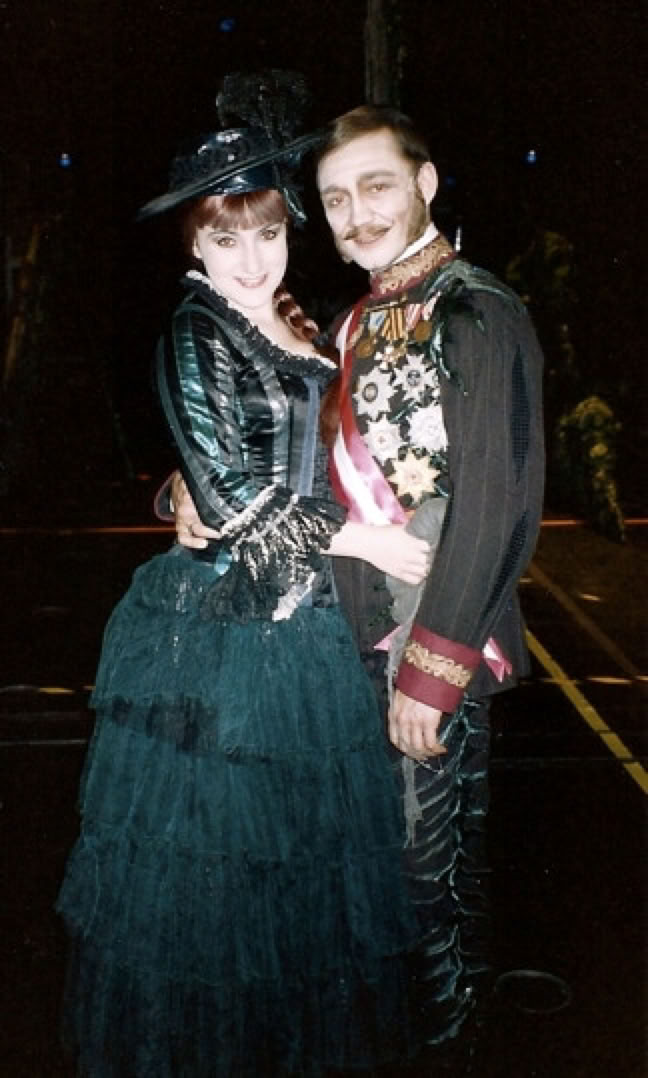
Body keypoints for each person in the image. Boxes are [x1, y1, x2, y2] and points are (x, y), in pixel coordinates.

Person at [56, 76, 432, 1078]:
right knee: (219, 877)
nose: (253, 257)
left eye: (267, 232)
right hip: (227, 633)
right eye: (227, 238)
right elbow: (229, 497)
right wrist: (364, 542)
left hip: (308, 629)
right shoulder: (198, 327)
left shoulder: (303, 324)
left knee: (300, 872)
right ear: (195, 241)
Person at [174, 102, 546, 1054]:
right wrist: (181, 485)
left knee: (425, 890)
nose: (356, 213)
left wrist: (434, 669)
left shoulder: (474, 309)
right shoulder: (351, 322)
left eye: (376, 186)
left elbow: (497, 505)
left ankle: (451, 1050)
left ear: (425, 184)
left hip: (428, 650)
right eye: (335, 198)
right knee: (391, 882)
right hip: (344, 651)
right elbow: (288, 459)